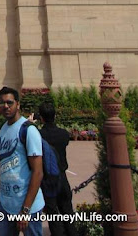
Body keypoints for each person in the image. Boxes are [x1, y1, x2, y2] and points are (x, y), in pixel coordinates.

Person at [0, 86, 44, 236]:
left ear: (18, 104)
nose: (5, 106)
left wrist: (26, 210)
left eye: (9, 103)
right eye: (2, 103)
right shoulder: (3, 129)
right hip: (5, 204)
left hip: (27, 205)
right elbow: (4, 166)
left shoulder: (29, 130)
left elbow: (38, 172)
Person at [38, 101, 77, 236]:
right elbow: (65, 141)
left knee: (53, 215)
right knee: (67, 211)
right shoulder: (63, 134)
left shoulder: (39, 135)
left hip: (48, 179)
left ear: (41, 118)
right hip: (62, 177)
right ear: (55, 116)